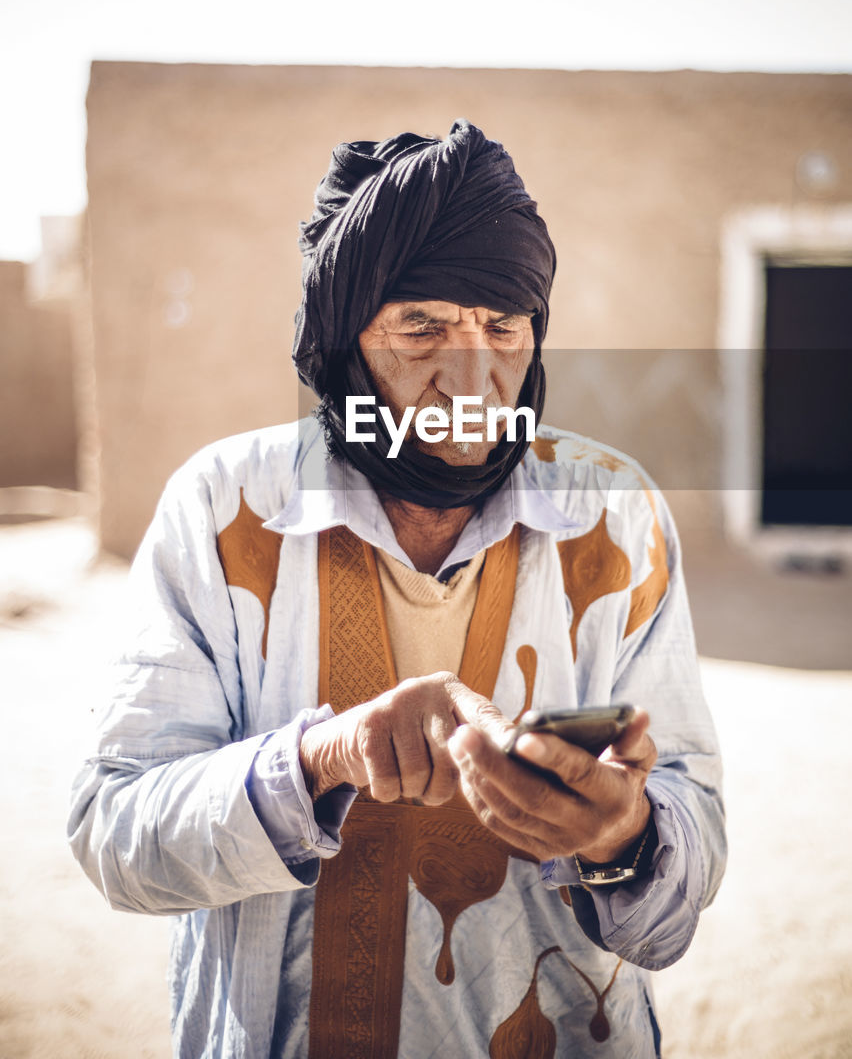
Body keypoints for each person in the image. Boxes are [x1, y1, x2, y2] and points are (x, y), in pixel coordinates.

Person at [68, 119, 725, 1059]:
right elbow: (117, 833)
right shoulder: (222, 510)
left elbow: (689, 833)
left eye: (501, 327)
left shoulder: (613, 518)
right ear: (344, 345)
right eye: (421, 327)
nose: (470, 372)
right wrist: (324, 758)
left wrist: (624, 835)